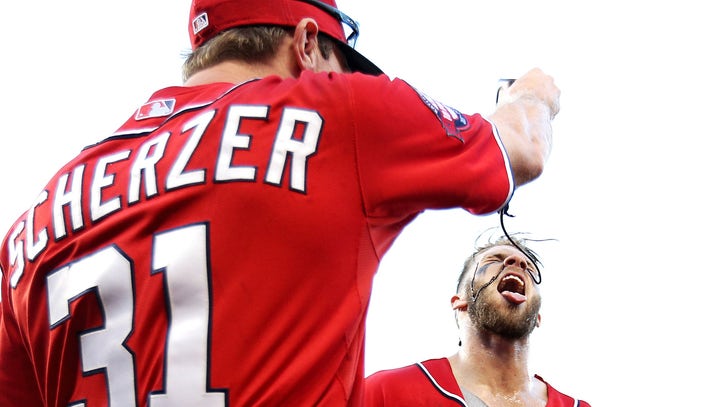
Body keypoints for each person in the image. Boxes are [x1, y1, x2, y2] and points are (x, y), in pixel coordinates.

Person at [0, 0, 560, 405]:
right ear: (309, 45)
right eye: (343, 63)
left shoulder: (32, 225)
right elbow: (522, 149)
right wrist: (530, 93)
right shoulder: (335, 114)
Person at [364, 234, 590, 407]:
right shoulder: (386, 392)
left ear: (537, 316)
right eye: (494, 259)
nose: (517, 262)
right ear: (459, 301)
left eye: (529, 268)